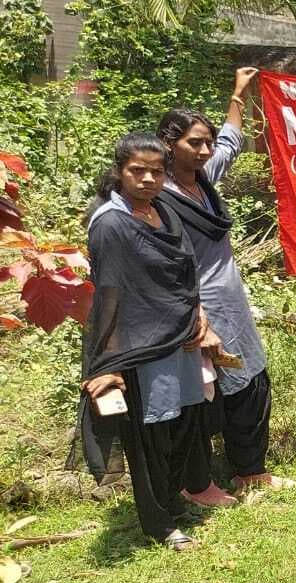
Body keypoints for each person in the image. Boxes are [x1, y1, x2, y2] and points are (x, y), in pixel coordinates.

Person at [157, 67, 294, 508]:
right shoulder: (158, 197)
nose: (204, 150)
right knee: (199, 394)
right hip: (194, 309)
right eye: (193, 143)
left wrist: (239, 93)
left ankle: (250, 470)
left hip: (231, 303)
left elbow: (231, 141)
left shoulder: (203, 179)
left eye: (206, 143)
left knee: (250, 380)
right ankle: (195, 483)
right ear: (168, 144)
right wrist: (197, 319)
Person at [79, 132, 220, 551]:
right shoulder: (110, 223)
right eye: (137, 170)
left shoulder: (163, 210)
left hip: (180, 336)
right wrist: (110, 361)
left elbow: (186, 272)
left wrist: (198, 315)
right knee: (150, 438)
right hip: (139, 346)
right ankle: (158, 524)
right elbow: (108, 293)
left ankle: (173, 502)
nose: (147, 179)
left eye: (156, 171)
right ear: (119, 172)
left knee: (181, 425)